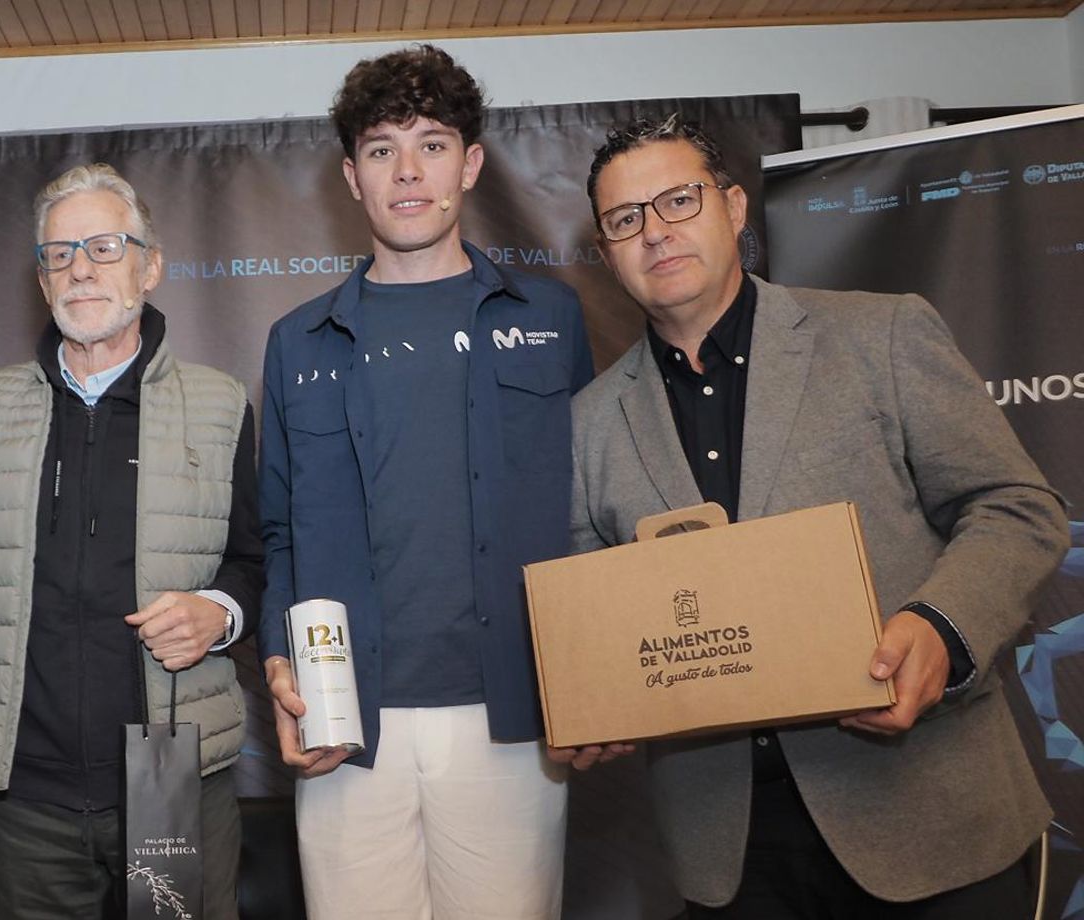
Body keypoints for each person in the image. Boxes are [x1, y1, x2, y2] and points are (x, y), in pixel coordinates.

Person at [570, 114, 1067, 916]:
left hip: (928, 817)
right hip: (729, 851)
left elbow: (1017, 508)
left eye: (678, 201)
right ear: (605, 251)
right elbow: (593, 617)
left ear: (733, 208)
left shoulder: (881, 334)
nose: (655, 233)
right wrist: (586, 695)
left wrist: (942, 626)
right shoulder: (589, 424)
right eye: (626, 219)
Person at [258, 44, 594, 919]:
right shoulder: (299, 341)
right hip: (346, 727)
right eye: (381, 149)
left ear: (471, 163)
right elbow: (283, 534)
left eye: (432, 143)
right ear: (351, 176)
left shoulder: (552, 319)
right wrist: (276, 665)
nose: (408, 171)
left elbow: (593, 517)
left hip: (511, 720)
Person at [0, 163, 262, 920]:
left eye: (104, 246)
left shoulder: (221, 405)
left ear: (150, 266)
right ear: (41, 279)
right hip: (26, 794)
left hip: (174, 783)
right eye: (59, 254)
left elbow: (254, 559)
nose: (80, 269)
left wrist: (220, 613)